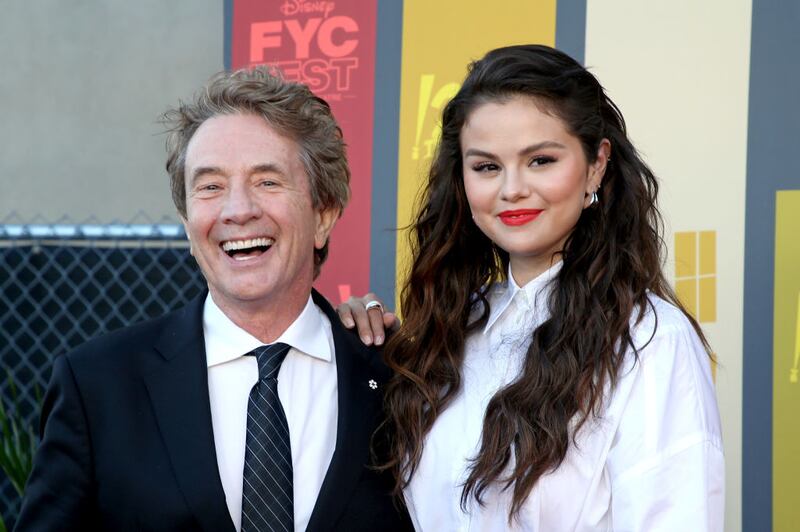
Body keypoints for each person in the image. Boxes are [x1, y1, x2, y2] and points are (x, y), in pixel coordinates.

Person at [338, 44, 724, 531]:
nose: (512, 189)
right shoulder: (449, 334)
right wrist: (351, 342)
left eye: (540, 160)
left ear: (596, 164)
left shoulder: (651, 340)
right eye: (486, 166)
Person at [16, 67, 412, 532]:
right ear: (188, 225)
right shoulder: (98, 386)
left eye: (267, 181)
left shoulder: (403, 376)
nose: (238, 210)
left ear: (323, 214)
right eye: (210, 187)